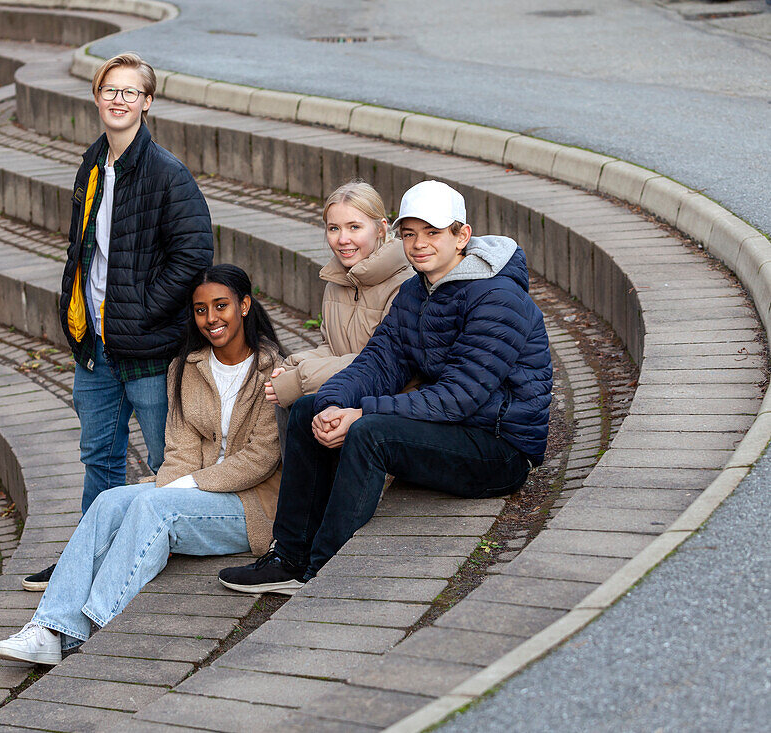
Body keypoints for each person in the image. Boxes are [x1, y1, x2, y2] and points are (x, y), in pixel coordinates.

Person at [218, 180, 553, 594]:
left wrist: (361, 413)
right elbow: (379, 361)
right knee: (306, 411)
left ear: (461, 236)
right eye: (410, 233)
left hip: (500, 448)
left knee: (370, 432)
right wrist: (332, 404)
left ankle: (321, 571)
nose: (419, 244)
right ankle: (289, 555)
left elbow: (459, 396)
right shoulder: (417, 292)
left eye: (433, 233)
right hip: (454, 431)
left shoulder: (497, 297)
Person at [0, 265, 284, 665]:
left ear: (245, 305)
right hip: (189, 491)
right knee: (110, 502)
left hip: (249, 505)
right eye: (201, 310)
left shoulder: (274, 368)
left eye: (221, 306)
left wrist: (181, 489)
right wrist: (172, 486)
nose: (211, 319)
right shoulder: (186, 367)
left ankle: (88, 629)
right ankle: (48, 626)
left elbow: (262, 458)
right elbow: (179, 448)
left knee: (153, 507)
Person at [23, 53, 213, 592]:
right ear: (97, 96)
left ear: (147, 103)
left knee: (165, 456)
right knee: (99, 457)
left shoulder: (168, 174)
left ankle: (166, 555)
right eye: (110, 89)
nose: (119, 99)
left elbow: (194, 256)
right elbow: (82, 249)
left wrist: (144, 310)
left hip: (150, 347)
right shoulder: (92, 163)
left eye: (131, 92)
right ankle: (88, 557)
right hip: (97, 346)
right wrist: (76, 310)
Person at [265, 181, 413, 441]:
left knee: (302, 407)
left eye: (354, 227)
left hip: (388, 399)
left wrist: (300, 378)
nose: (342, 239)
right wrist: (292, 365)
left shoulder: (404, 284)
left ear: (380, 229)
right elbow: (333, 348)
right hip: (346, 388)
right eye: (334, 228)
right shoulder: (338, 280)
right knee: (293, 402)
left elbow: (377, 362)